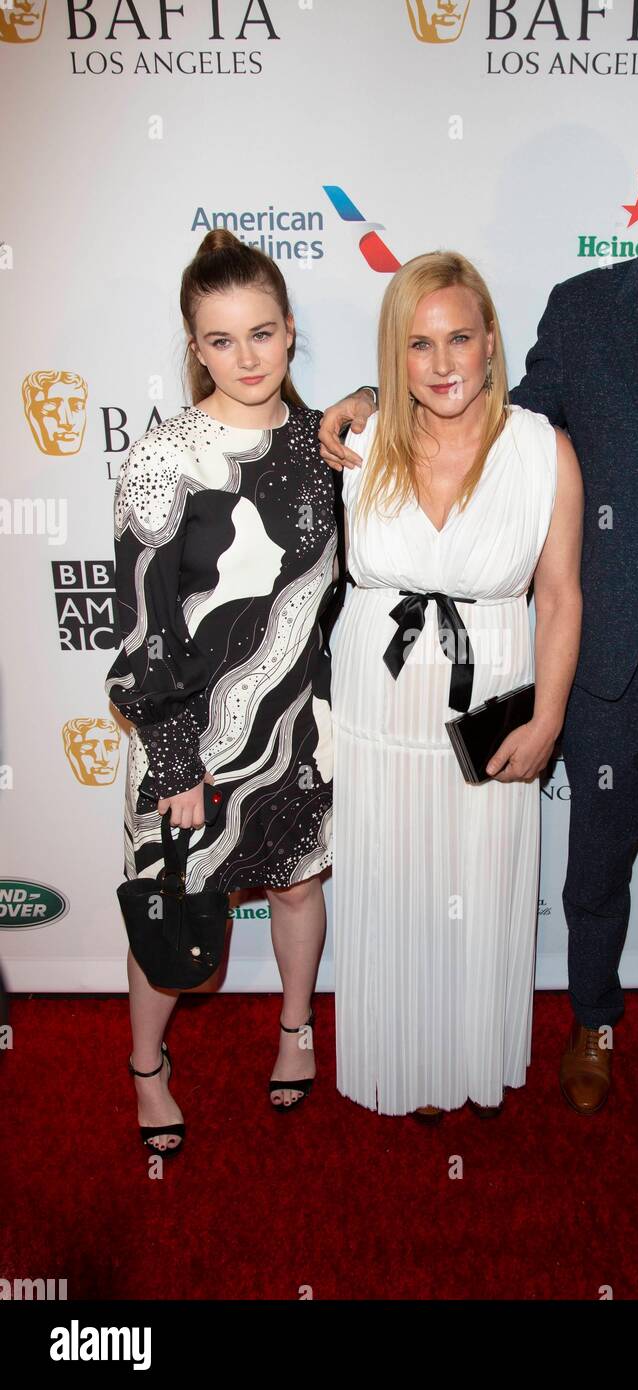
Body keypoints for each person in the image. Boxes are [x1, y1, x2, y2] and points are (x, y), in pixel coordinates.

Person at [318, 58, 638, 1137]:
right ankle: (594, 1020)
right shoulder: (582, 308)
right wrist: (379, 393)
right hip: (602, 655)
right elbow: (496, 417)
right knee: (597, 863)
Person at [329, 251, 582, 1120]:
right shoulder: (356, 444)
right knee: (392, 884)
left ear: (489, 344)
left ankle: (465, 1057)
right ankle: (404, 1061)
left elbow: (558, 596)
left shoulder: (542, 450)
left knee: (475, 890)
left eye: (459, 339)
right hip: (377, 710)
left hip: (489, 708)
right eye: (417, 343)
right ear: (391, 356)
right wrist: (356, 404)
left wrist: (548, 718)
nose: (441, 364)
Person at [106, 229, 342, 1157]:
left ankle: (295, 1030)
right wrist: (173, 762)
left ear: (290, 332)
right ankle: (146, 1069)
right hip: (185, 738)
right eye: (220, 340)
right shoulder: (165, 459)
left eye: (263, 333)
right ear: (193, 346)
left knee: (294, 889)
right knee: (169, 905)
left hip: (296, 725)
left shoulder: (329, 444)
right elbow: (139, 623)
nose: (246, 358)